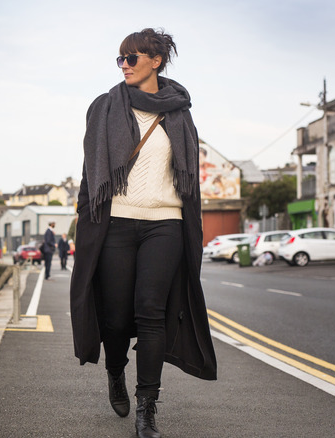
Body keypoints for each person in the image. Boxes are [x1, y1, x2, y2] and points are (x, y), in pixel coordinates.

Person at [69, 28, 217, 438]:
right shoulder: (104, 107)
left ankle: (147, 408)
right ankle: (116, 373)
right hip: (115, 222)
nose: (125, 66)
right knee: (115, 319)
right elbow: (89, 173)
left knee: (151, 314)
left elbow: (188, 178)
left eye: (132, 58)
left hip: (166, 224)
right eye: (120, 59)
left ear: (156, 60)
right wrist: (86, 216)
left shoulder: (179, 113)